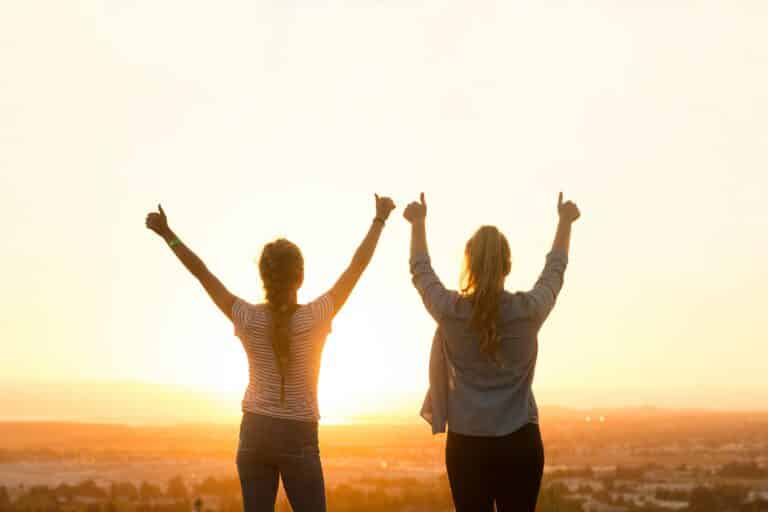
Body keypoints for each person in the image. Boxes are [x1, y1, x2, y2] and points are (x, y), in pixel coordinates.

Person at [145, 194, 396, 512]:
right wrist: (379, 219)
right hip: (299, 434)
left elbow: (203, 274)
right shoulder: (316, 317)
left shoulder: (247, 317)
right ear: (300, 277)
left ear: (262, 276)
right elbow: (356, 267)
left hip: (254, 432)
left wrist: (169, 235)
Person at [404, 192, 580, 512]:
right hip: (520, 444)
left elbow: (420, 270)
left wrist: (417, 223)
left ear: (468, 263)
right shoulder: (529, 311)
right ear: (508, 266)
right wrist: (565, 221)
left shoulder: (450, 311)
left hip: (467, 447)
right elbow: (556, 270)